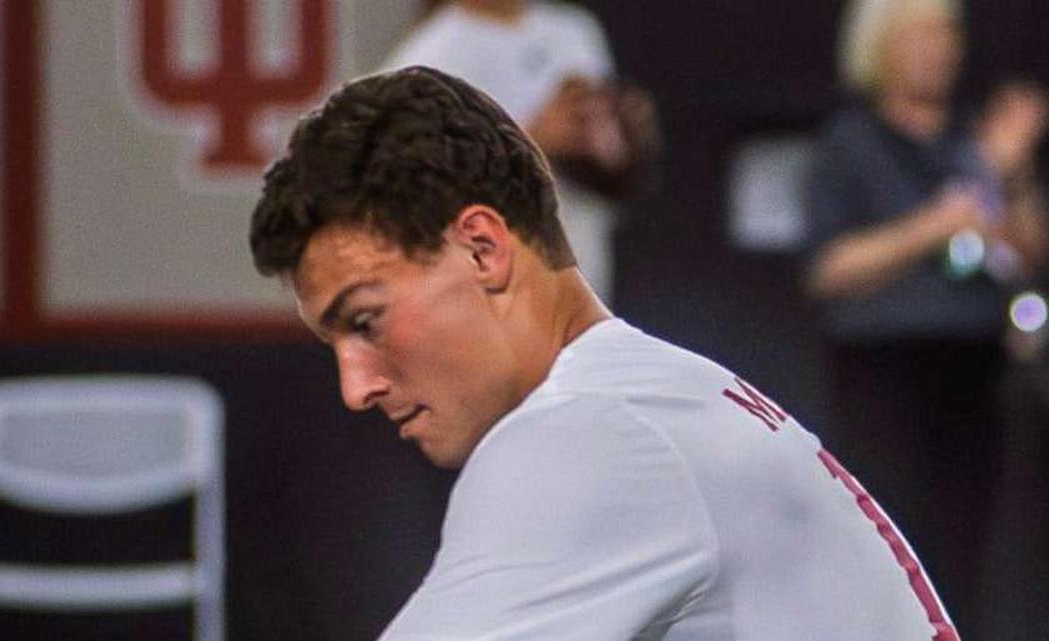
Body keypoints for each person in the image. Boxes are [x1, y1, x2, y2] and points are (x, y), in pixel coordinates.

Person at [250, 66, 961, 640]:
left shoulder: (588, 433)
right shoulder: (649, 397)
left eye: (367, 321)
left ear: (482, 249)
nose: (355, 385)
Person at [803, 0, 1049, 636]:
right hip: (884, 371)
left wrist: (1012, 173)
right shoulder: (848, 143)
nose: (941, 49)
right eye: (922, 34)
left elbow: (1025, 251)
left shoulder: (977, 140)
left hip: (973, 367)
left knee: (968, 549)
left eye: (948, 33)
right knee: (889, 543)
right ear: (881, 47)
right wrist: (931, 227)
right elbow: (827, 269)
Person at [380, 0, 660, 303]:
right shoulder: (424, 63)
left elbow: (608, 183)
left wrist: (620, 148)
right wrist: (532, 137)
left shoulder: (574, 31)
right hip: (488, 305)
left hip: (582, 287)